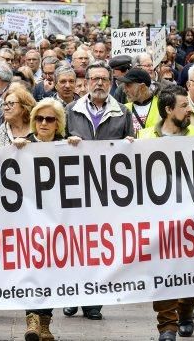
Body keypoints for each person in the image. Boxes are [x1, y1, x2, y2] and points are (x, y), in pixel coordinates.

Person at [136, 85, 194, 341]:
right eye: (184, 106)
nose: (190, 111)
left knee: (191, 269)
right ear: (168, 110)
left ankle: (185, 311)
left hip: (192, 216)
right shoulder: (143, 137)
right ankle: (167, 326)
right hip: (158, 218)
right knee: (161, 270)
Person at [63, 62, 134, 320]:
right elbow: (54, 148)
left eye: (104, 79)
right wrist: (65, 143)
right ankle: (72, 296)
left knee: (101, 248)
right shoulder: (71, 110)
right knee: (76, 246)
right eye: (94, 79)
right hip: (76, 190)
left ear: (111, 82)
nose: (99, 83)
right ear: (87, 82)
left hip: (108, 194)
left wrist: (130, 145)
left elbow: (133, 152)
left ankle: (94, 302)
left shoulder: (122, 113)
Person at [11, 98, 80, 341]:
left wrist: (76, 148)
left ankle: (45, 321)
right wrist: (12, 148)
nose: (43, 123)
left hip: (59, 220)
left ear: (58, 123)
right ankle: (32, 318)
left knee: (52, 270)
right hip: (29, 220)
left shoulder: (67, 145)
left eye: (49, 119)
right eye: (39, 118)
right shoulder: (22, 146)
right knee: (32, 268)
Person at [120, 67, 160, 133]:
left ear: (142, 87)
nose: (124, 90)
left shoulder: (161, 105)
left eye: (128, 85)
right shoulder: (123, 109)